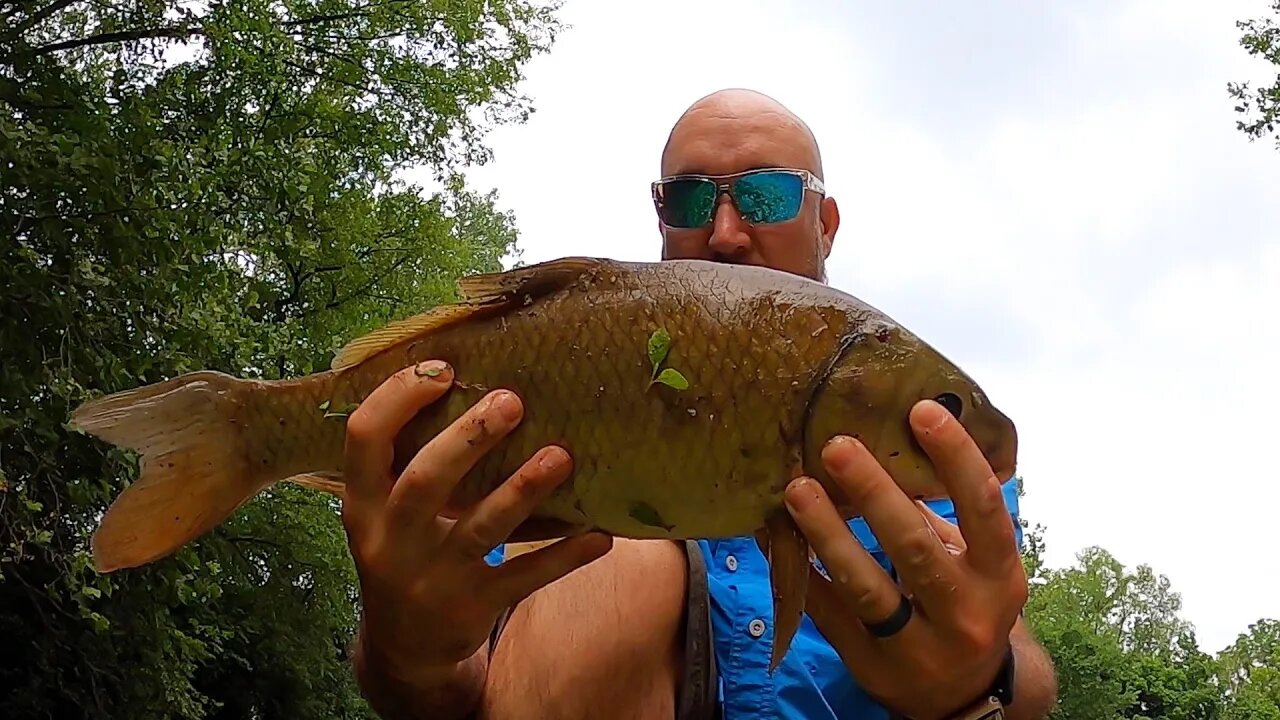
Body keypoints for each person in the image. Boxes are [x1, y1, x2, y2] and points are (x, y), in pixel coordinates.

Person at [342, 88, 1059, 720]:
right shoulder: (558, 386)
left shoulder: (899, 413)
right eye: (688, 199)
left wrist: (981, 676)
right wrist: (409, 651)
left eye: (766, 194)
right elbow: (441, 686)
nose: (722, 232)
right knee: (620, 560)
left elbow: (1023, 662)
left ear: (827, 222)